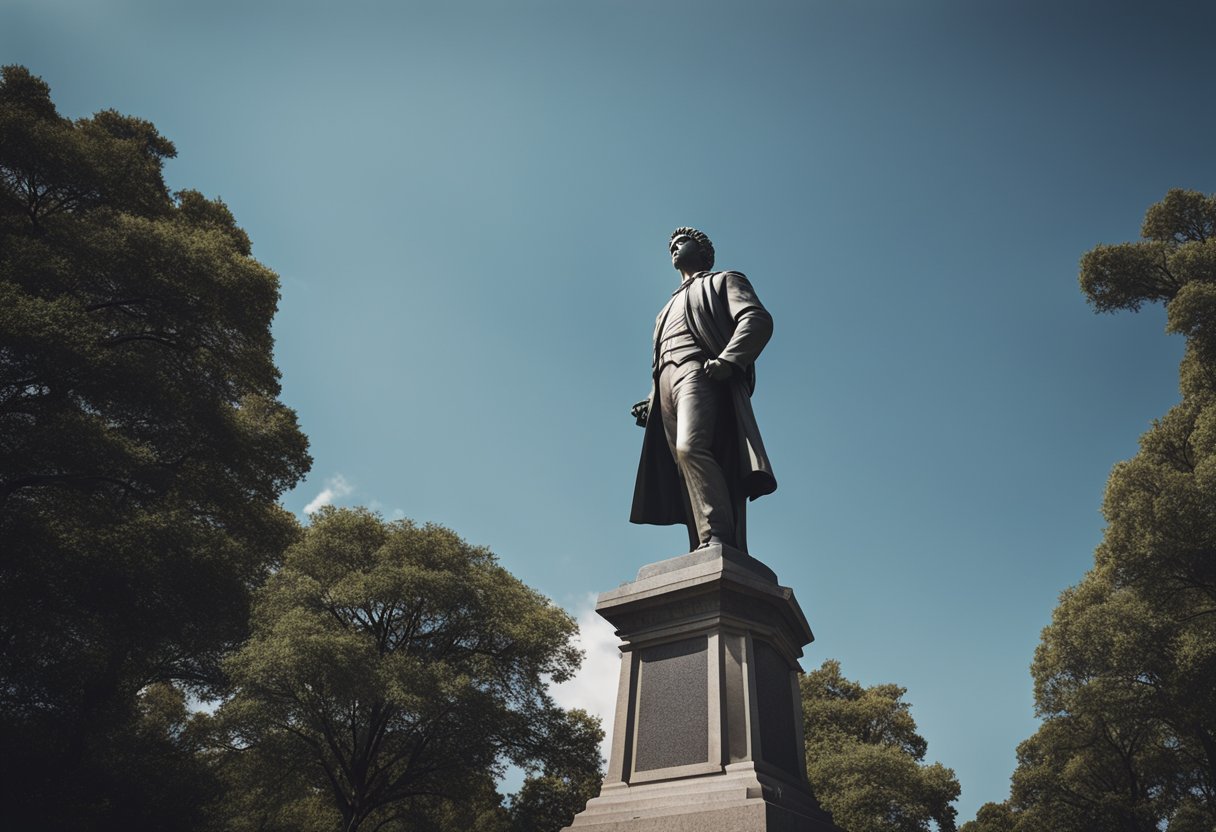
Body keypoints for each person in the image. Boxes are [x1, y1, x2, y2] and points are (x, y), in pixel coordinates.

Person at [630, 227, 776, 553]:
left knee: (689, 448)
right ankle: (703, 542)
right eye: (670, 245)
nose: (673, 247)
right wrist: (651, 399)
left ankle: (720, 535)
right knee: (682, 467)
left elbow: (756, 319)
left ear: (703, 250)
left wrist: (729, 359)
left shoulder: (724, 280)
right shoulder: (663, 310)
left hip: (700, 371)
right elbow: (662, 356)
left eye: (681, 242)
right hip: (666, 383)